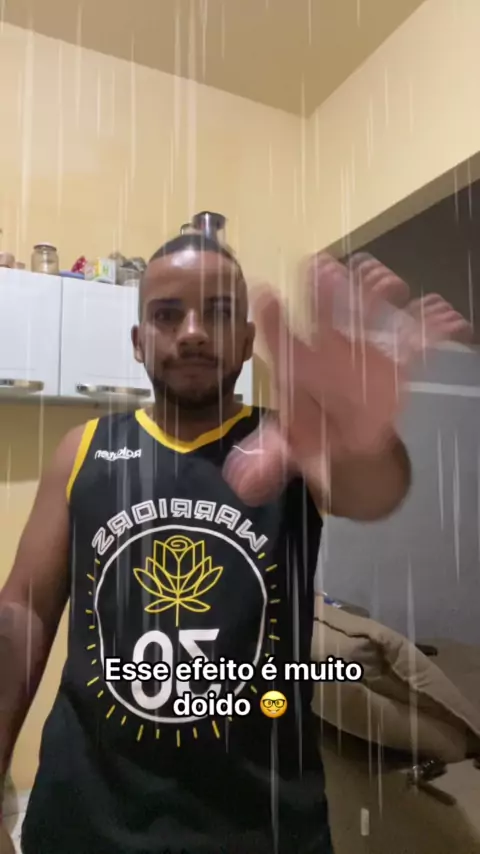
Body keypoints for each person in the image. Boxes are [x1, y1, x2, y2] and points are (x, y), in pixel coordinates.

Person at [0, 233, 472, 854]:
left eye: (219, 313)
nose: (194, 332)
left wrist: (365, 442)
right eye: (168, 314)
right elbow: (23, 613)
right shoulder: (82, 449)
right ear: (138, 341)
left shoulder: (292, 444)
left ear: (249, 341)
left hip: (263, 826)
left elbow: (375, 492)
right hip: (83, 821)